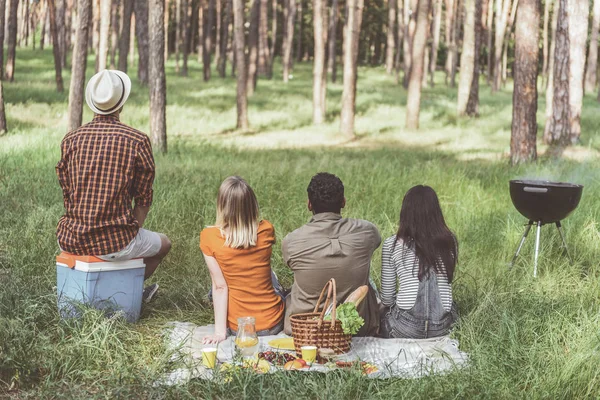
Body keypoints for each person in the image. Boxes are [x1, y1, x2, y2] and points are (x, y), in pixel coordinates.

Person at [56, 70, 171, 301]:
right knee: (164, 244)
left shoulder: (70, 139)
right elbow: (143, 198)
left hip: (70, 239)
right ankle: (132, 293)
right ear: (121, 103)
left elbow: (67, 194)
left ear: (92, 103)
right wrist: (132, 231)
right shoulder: (137, 140)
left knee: (119, 248)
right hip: (116, 242)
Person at [282, 172, 381, 336]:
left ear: (309, 205)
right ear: (343, 202)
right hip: (354, 328)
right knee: (368, 280)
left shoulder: (291, 241)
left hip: (305, 329)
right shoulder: (368, 232)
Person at [200, 176, 285, 344]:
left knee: (216, 284)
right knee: (270, 274)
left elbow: (220, 287)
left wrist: (219, 333)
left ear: (221, 205)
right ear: (252, 204)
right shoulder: (266, 229)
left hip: (238, 328)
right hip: (273, 323)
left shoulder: (209, 237)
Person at [380, 185, 458, 339]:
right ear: (436, 213)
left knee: (381, 312)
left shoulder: (392, 244)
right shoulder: (450, 241)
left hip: (403, 329)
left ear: (405, 213)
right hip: (442, 329)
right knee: (454, 307)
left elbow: (387, 299)